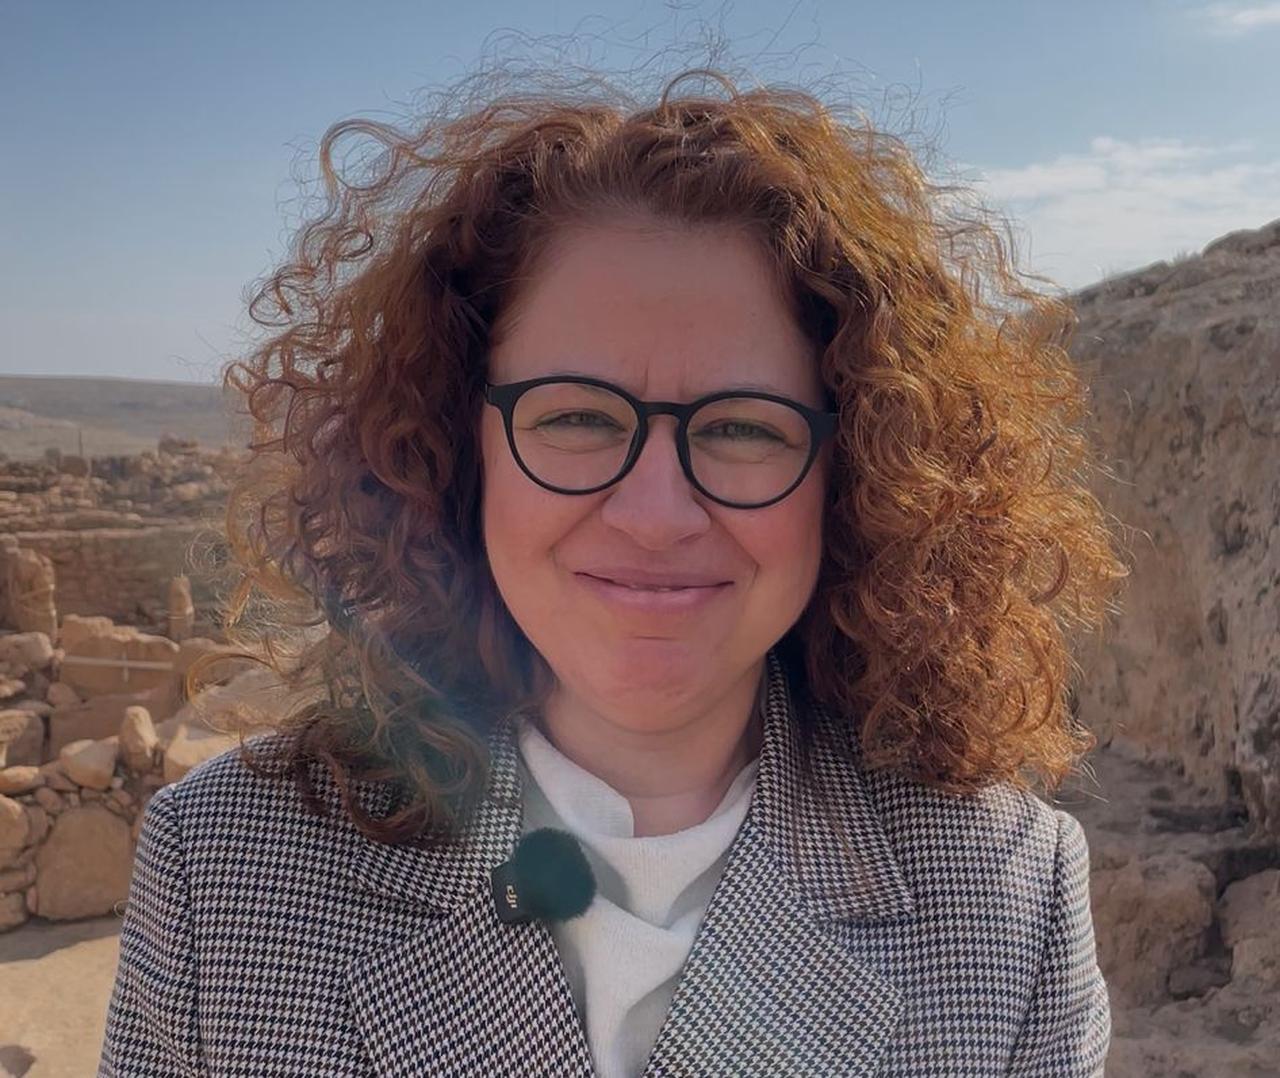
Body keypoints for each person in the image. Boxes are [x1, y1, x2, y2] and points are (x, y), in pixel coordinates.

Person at [98, 64, 1127, 1076]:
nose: (653, 516)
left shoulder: (1003, 896)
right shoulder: (223, 869)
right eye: (578, 417)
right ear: (460, 449)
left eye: (740, 428)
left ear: (850, 472)